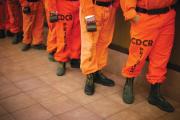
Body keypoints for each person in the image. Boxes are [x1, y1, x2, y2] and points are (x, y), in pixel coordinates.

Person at [120, 0, 177, 112]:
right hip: (145, 17)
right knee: (138, 55)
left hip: (168, 16)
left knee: (161, 56)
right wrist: (131, 13)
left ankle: (155, 93)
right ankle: (129, 83)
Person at [80, 0, 119, 95]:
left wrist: (115, 5)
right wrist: (89, 13)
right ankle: (90, 74)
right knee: (90, 44)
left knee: (104, 42)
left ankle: (97, 72)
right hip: (92, 10)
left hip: (109, 10)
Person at [49, 0, 81, 76]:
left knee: (77, 34)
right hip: (62, 5)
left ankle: (75, 57)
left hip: (80, 4)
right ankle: (61, 61)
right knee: (63, 34)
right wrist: (52, 12)